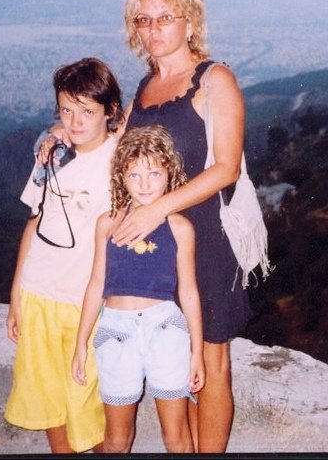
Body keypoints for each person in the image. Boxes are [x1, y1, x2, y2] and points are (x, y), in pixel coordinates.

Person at [115, 0, 251, 452]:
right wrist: (58, 133)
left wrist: (158, 209)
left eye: (165, 18)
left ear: (189, 23)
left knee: (210, 359)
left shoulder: (214, 80)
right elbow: (116, 147)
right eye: (144, 20)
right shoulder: (145, 87)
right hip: (159, 245)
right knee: (177, 356)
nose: (153, 29)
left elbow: (226, 168)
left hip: (207, 239)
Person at [4, 57, 123, 454]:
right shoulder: (51, 157)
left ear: (109, 110)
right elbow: (33, 224)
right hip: (39, 292)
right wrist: (16, 296)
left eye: (87, 111)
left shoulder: (121, 161)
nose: (75, 122)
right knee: (48, 396)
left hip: (88, 302)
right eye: (66, 111)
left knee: (91, 403)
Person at [73, 125, 204, 453]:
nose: (145, 184)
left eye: (154, 174)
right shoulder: (108, 223)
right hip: (116, 332)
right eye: (134, 175)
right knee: (117, 438)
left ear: (169, 173)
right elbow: (96, 284)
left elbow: (189, 292)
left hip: (166, 330)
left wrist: (197, 352)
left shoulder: (180, 227)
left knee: (176, 436)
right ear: (121, 176)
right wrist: (80, 343)